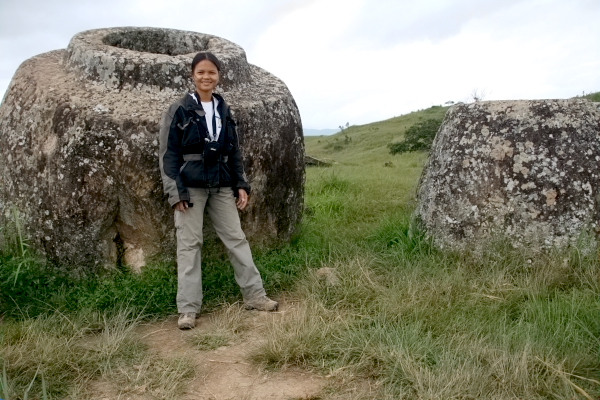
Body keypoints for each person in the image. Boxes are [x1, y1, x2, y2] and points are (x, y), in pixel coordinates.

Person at [159, 51, 278, 330]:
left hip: (221, 185)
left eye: (211, 72)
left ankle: (255, 296)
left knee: (236, 239)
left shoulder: (224, 109)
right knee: (189, 246)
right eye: (201, 72)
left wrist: (241, 184)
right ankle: (188, 309)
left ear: (219, 76)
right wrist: (176, 193)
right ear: (192, 75)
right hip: (190, 188)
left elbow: (233, 151)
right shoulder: (179, 109)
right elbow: (168, 155)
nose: (206, 77)